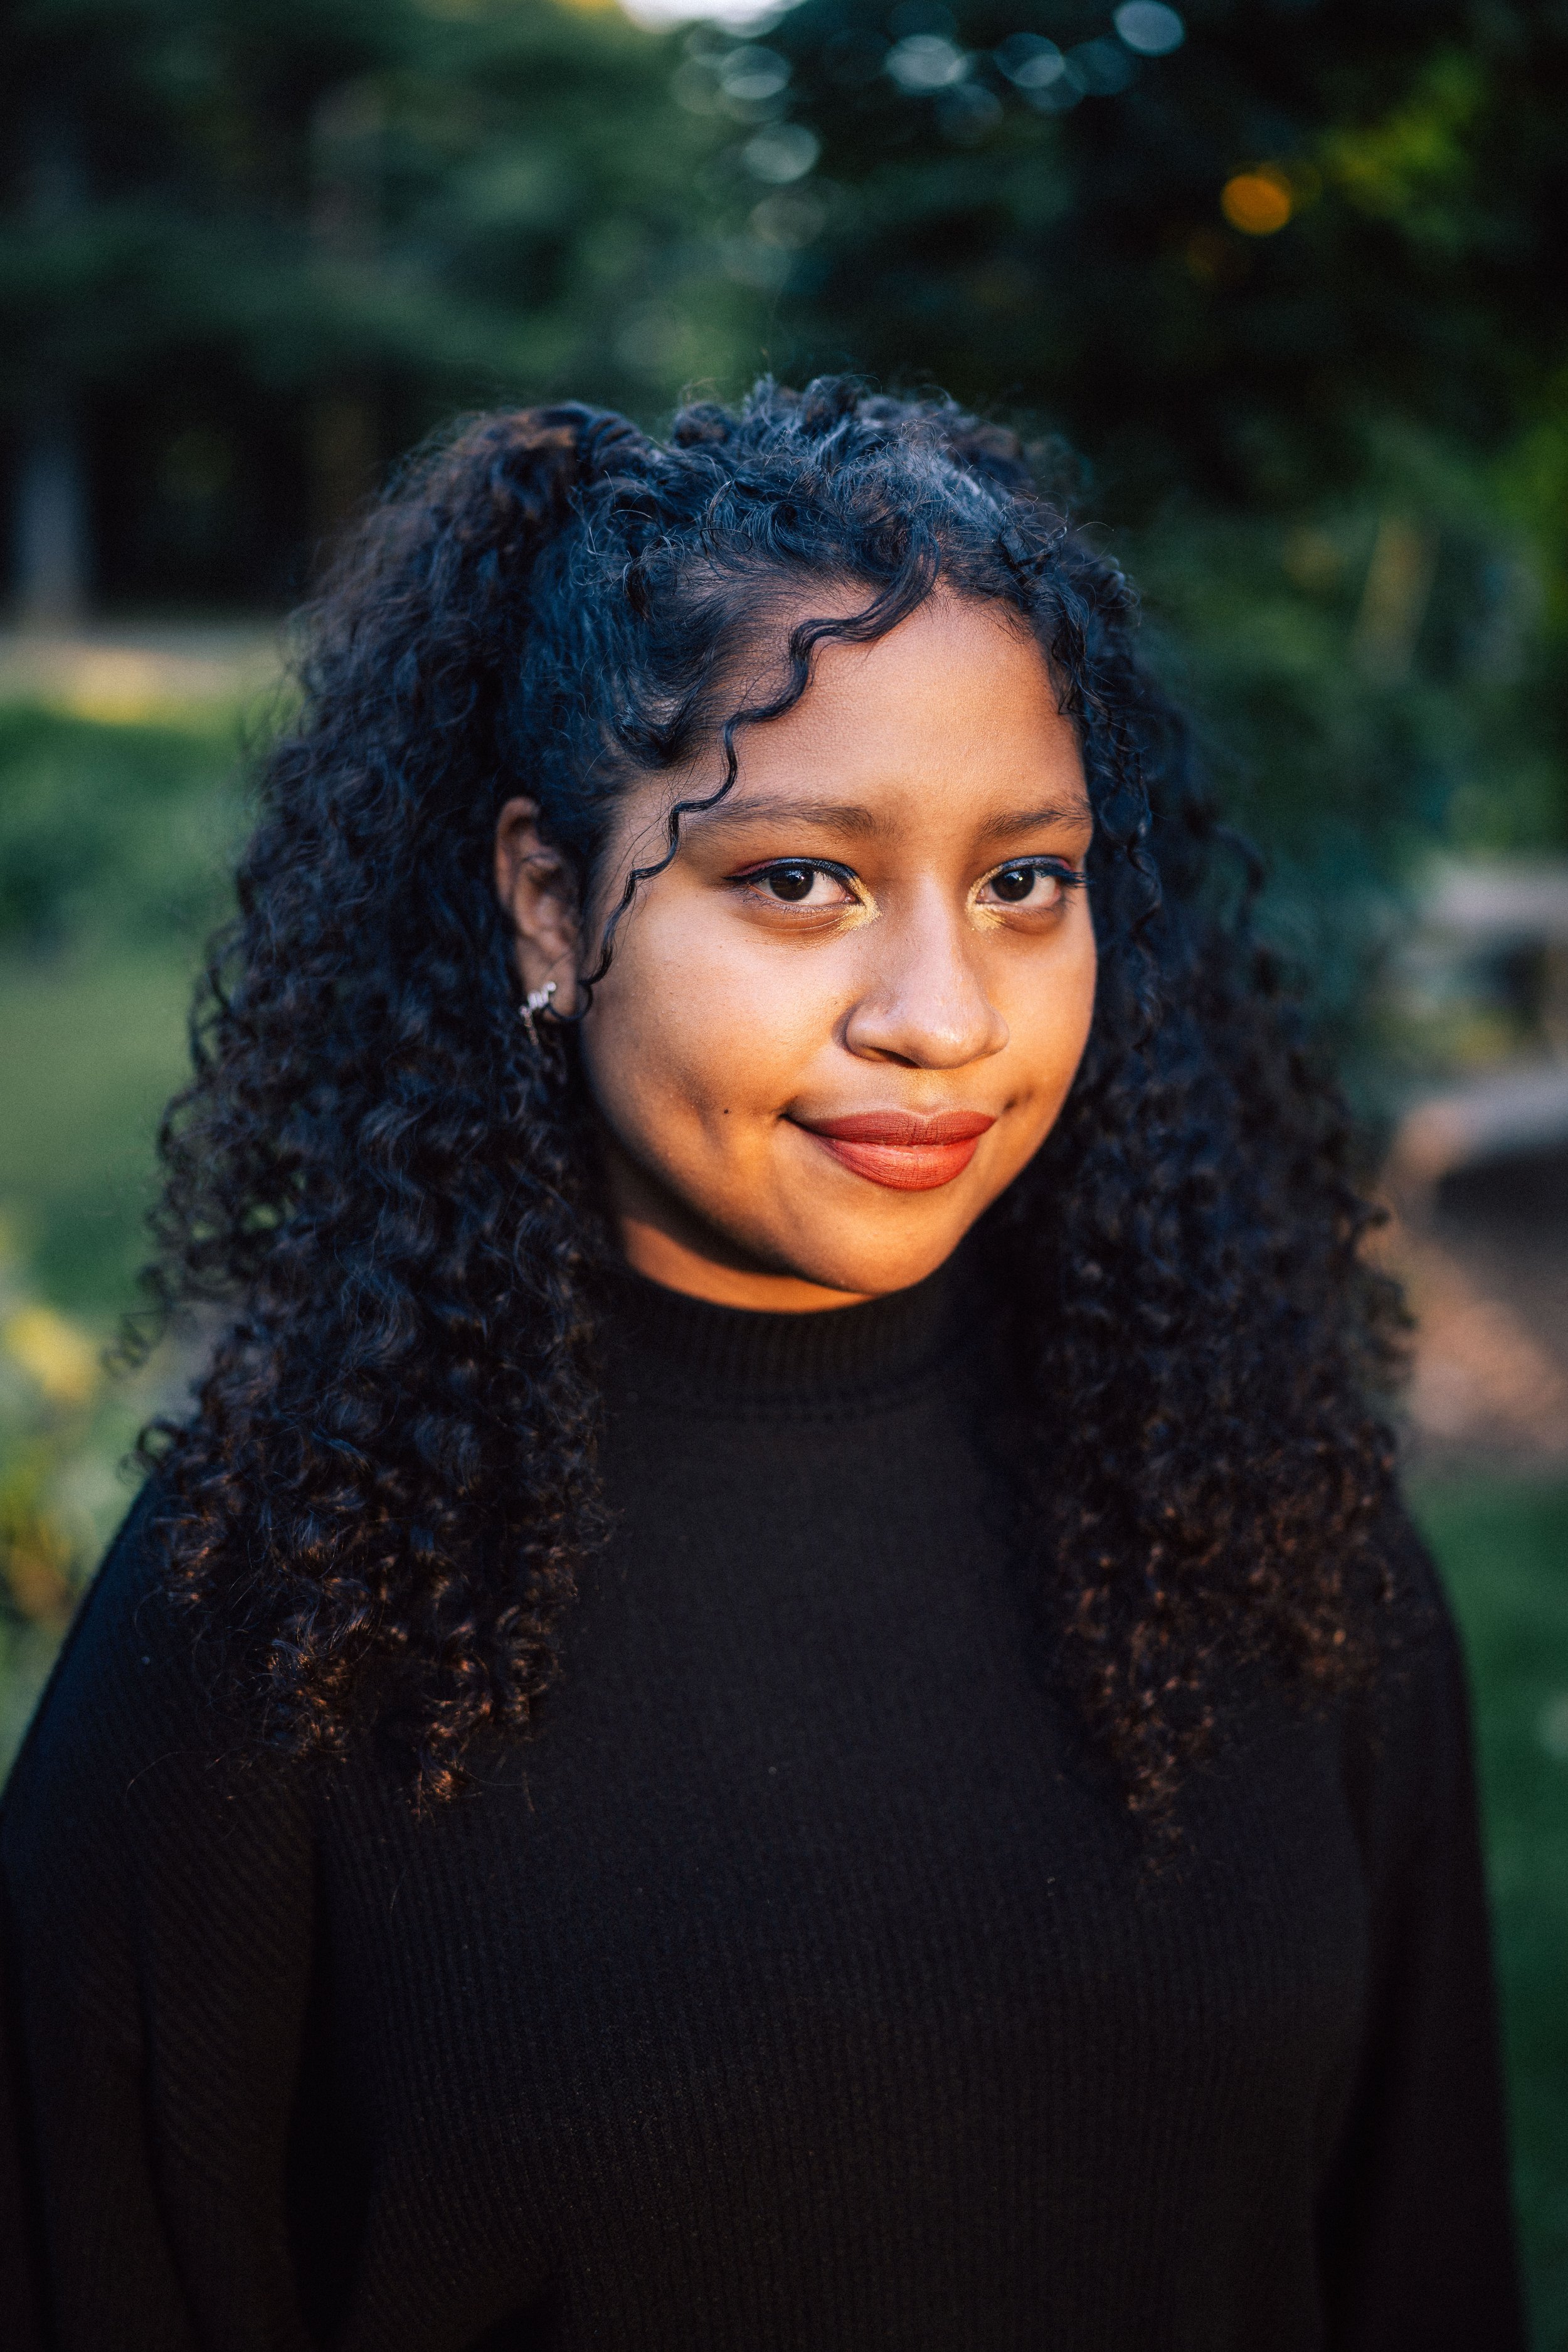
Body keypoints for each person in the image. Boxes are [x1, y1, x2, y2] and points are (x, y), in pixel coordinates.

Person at [0, 381, 1523, 2351]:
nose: (941, 1015)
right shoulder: (285, 1596)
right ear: (550, 900)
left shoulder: (1261, 1510)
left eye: (1021, 883)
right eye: (799, 879)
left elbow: (1423, 2261)